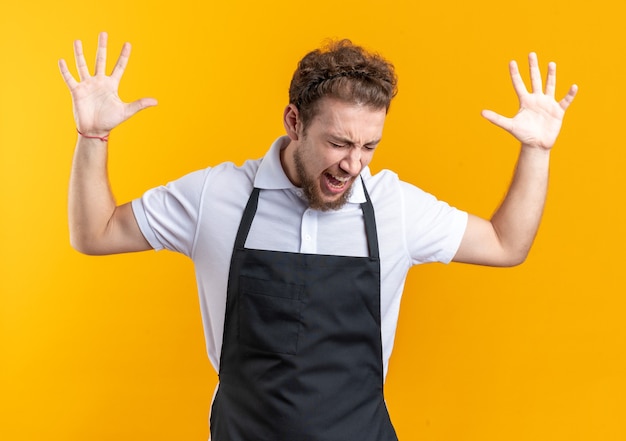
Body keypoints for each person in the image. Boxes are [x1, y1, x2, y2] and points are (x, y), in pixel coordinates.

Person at [59, 32, 577, 440]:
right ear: (293, 122)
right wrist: (93, 137)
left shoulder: (394, 207)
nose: (353, 164)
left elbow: (508, 245)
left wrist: (536, 151)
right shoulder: (215, 197)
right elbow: (95, 232)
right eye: (339, 142)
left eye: (369, 146)